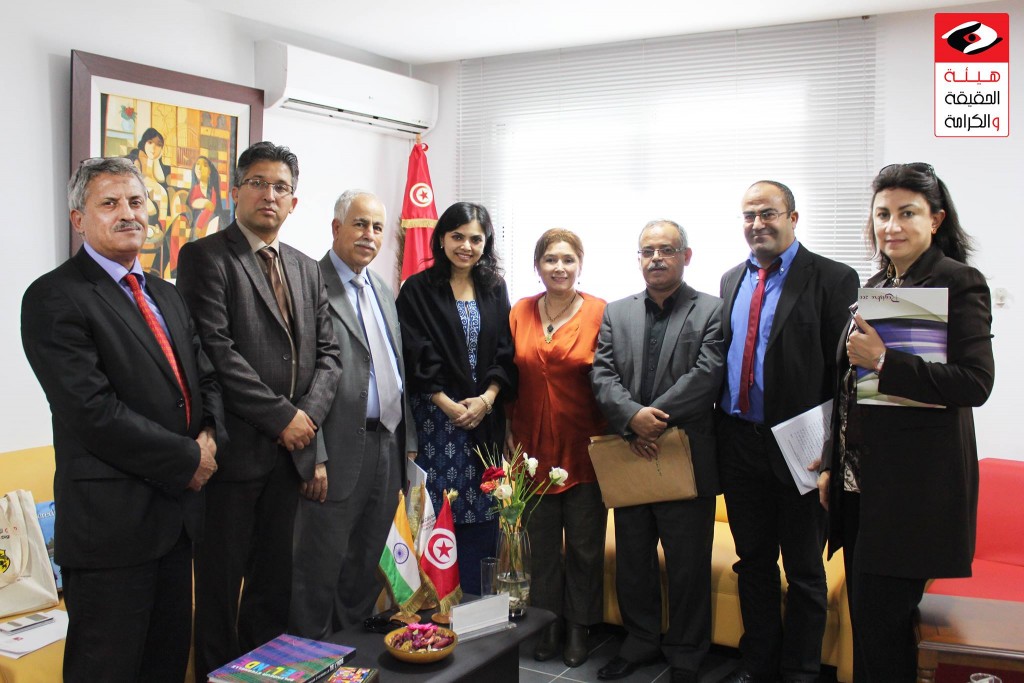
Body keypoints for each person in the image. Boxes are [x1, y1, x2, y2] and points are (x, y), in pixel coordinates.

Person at [21, 157, 223, 682]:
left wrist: (209, 435)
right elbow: (93, 413)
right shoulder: (54, 297)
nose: (127, 213)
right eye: (109, 203)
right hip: (111, 530)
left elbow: (205, 378)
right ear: (79, 219)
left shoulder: (165, 292)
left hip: (177, 522)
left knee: (165, 665)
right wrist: (188, 459)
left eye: (135, 201)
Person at [818, 163, 994, 682]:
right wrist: (832, 464)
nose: (891, 226)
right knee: (869, 629)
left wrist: (883, 360)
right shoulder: (877, 286)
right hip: (862, 488)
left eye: (907, 213)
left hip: (912, 495)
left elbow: (974, 383)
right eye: (882, 214)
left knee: (885, 633)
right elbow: (851, 392)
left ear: (935, 220)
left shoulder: (957, 281)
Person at [176, 141, 342, 681]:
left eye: (281, 187)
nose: (269, 195)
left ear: (294, 201)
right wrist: (281, 418)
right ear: (235, 191)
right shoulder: (205, 257)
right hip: (233, 457)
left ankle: (266, 676)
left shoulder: (306, 267)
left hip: (288, 458)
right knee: (220, 591)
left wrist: (306, 421)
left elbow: (330, 355)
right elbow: (216, 352)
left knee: (273, 587)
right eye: (258, 183)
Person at [717, 180, 859, 683]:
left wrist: (833, 452)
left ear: (793, 218)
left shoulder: (833, 278)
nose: (757, 223)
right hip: (740, 444)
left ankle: (800, 670)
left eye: (768, 213)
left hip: (803, 450)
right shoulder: (731, 279)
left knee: (804, 570)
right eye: (749, 215)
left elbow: (846, 375)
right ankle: (758, 662)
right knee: (752, 562)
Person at [591, 220, 724, 683]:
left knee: (687, 565)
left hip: (683, 454)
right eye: (647, 251)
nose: (656, 259)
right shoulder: (616, 312)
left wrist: (652, 418)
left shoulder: (711, 309)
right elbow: (602, 374)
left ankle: (686, 654)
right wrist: (631, 418)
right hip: (631, 452)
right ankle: (640, 641)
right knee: (633, 561)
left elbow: (707, 374)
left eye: (666, 250)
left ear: (686, 256)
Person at [289, 190, 417, 638]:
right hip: (336, 451)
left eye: (378, 227)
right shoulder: (309, 285)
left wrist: (407, 445)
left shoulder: (381, 289)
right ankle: (312, 659)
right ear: (336, 228)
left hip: (387, 447)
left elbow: (396, 369)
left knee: (365, 568)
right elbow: (300, 380)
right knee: (318, 572)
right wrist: (313, 454)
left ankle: (350, 657)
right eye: (360, 224)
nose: (369, 235)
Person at [395, 202, 517, 598]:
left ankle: (479, 606)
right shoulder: (417, 289)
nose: (466, 246)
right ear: (442, 239)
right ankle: (433, 611)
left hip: (484, 420)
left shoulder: (494, 287)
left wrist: (487, 399)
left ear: (486, 243)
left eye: (475, 239)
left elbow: (505, 350)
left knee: (482, 511)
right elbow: (414, 353)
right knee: (438, 517)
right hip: (436, 423)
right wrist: (448, 404)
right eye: (458, 236)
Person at [507, 229, 607, 667]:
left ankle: (579, 628)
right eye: (550, 259)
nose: (559, 267)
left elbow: (612, 378)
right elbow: (509, 375)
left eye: (568, 259)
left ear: (580, 265)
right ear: (537, 266)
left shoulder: (601, 312)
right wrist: (506, 430)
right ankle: (547, 623)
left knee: (585, 547)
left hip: (585, 451)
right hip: (531, 453)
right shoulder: (520, 311)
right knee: (541, 549)